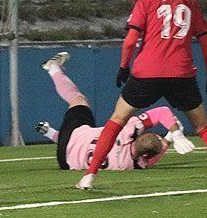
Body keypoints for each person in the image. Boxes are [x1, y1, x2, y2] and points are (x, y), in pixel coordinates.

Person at [75, 0, 207, 190]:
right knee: (204, 128)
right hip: (181, 74)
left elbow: (130, 41)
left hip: (147, 73)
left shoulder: (146, 0)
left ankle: (89, 176)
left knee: (116, 120)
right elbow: (206, 42)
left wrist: (124, 66)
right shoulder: (188, 0)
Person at [37, 52, 197, 172]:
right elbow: (151, 159)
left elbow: (162, 112)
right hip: (65, 161)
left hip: (74, 137)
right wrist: (167, 141)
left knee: (79, 100)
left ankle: (53, 68)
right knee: (85, 134)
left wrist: (175, 134)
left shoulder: (129, 130)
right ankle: (51, 133)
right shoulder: (131, 164)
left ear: (139, 136)